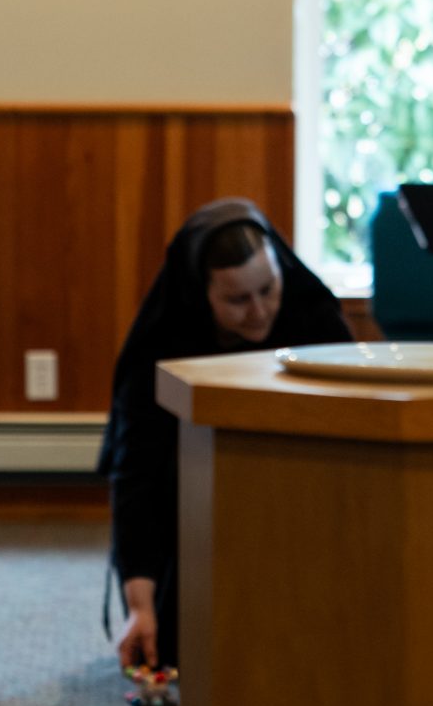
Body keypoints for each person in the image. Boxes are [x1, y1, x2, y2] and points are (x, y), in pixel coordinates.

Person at [100, 200, 349, 672]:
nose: (259, 313)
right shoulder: (159, 346)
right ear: (200, 294)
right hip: (191, 513)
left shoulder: (312, 315)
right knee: (185, 650)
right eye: (237, 300)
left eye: (268, 290)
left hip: (297, 503)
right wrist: (140, 607)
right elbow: (137, 478)